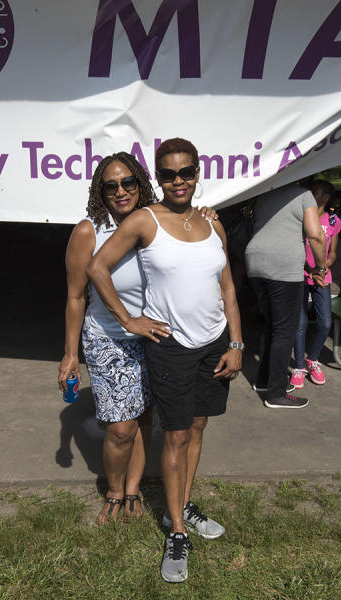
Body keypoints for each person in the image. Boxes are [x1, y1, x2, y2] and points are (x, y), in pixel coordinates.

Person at [87, 137, 243, 583]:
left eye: (186, 172)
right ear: (158, 178)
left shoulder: (212, 223)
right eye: (169, 174)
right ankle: (177, 531)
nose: (179, 181)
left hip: (214, 343)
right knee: (175, 435)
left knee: (198, 426)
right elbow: (97, 268)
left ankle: (184, 504)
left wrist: (236, 343)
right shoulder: (144, 220)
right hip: (171, 346)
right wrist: (128, 319)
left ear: (197, 173)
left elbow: (228, 286)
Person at [58, 152, 156, 524]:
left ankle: (133, 489)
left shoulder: (155, 221)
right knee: (120, 426)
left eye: (128, 182)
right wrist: (70, 354)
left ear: (140, 184)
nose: (120, 191)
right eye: (110, 185)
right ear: (100, 192)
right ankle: (114, 491)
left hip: (153, 335)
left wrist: (206, 214)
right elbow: (75, 296)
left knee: (143, 418)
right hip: (107, 339)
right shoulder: (90, 231)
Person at [245, 182, 326, 409]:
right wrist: (321, 267)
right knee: (284, 330)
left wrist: (310, 269)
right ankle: (276, 394)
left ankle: (265, 382)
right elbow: (316, 235)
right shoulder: (304, 195)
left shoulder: (263, 194)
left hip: (256, 262)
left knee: (272, 326)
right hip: (283, 266)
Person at [291, 180, 341, 387]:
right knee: (300, 323)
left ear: (326, 198)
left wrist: (322, 268)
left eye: (316, 192)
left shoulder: (333, 220)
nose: (311, 194)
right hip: (301, 275)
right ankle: (299, 366)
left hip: (322, 277)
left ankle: (312, 359)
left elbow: (332, 254)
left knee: (325, 323)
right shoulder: (301, 217)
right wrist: (309, 270)